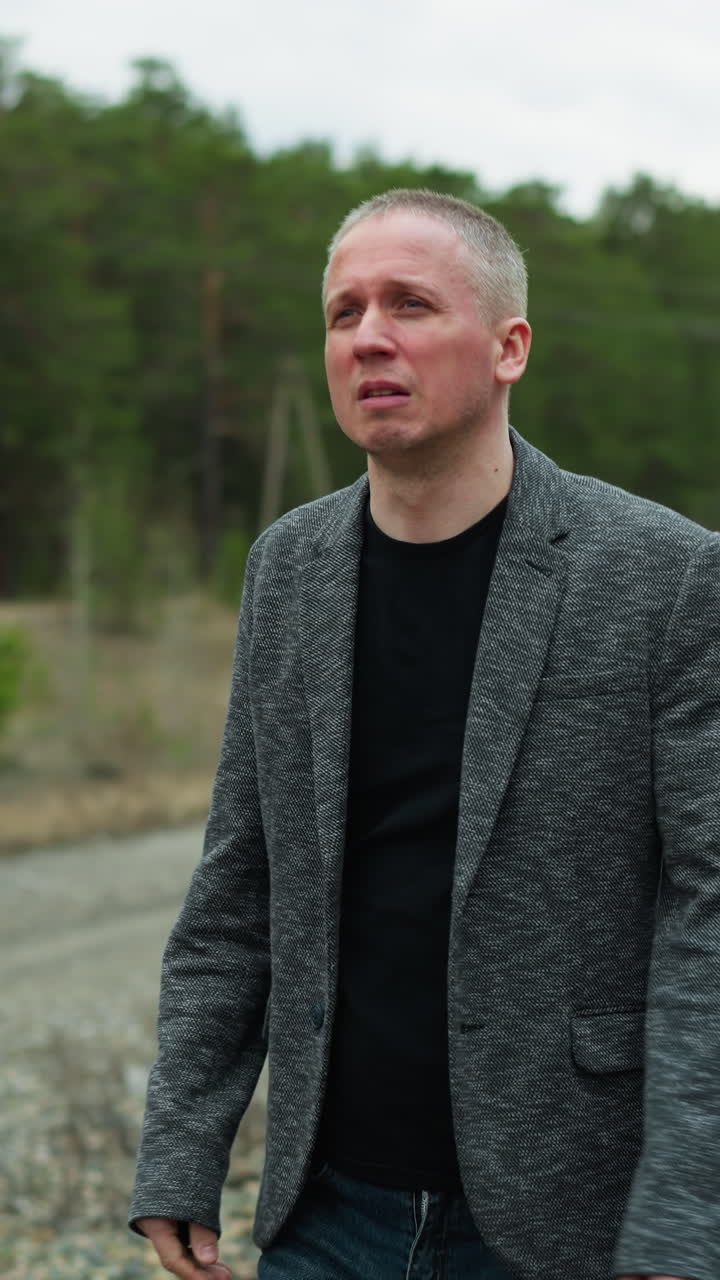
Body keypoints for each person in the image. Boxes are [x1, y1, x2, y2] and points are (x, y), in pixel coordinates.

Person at [128, 189, 720, 1280]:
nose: (369, 338)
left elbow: (710, 912)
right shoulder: (287, 568)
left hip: (570, 1218)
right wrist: (180, 1146)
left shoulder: (666, 574)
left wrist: (684, 1212)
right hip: (326, 1209)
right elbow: (238, 882)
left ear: (509, 346)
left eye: (409, 304)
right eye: (344, 311)